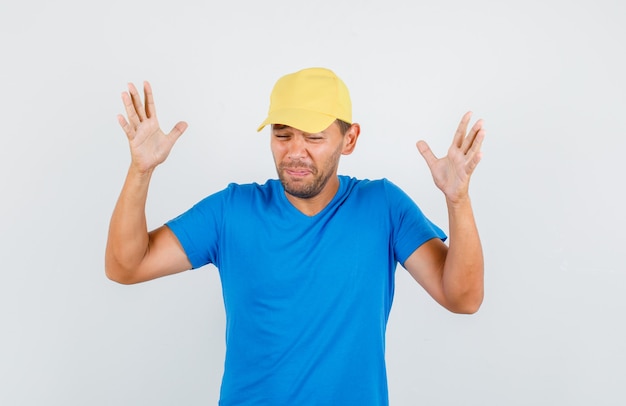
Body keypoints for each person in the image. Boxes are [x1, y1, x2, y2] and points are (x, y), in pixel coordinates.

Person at [105, 67, 485, 405]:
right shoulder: (231, 211)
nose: (295, 152)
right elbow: (126, 266)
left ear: (349, 139)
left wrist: (458, 200)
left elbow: (463, 298)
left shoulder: (383, 207)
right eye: (283, 134)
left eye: (314, 138)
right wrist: (140, 171)